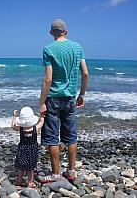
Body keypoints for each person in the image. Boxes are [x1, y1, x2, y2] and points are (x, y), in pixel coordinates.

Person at [38, 19, 89, 183]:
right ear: (65, 32)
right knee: (71, 135)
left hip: (53, 98)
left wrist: (41, 102)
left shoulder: (48, 49)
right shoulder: (77, 47)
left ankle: (55, 173)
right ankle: (71, 171)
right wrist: (81, 94)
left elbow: (48, 79)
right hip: (70, 98)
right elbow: (86, 73)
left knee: (52, 136)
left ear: (51, 33)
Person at [11, 106, 44, 187]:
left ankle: (19, 180)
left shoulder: (21, 129)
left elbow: (12, 126)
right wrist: (41, 115)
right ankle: (30, 182)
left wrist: (14, 116)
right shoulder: (35, 128)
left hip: (22, 149)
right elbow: (42, 122)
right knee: (30, 169)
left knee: (21, 167)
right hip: (32, 150)